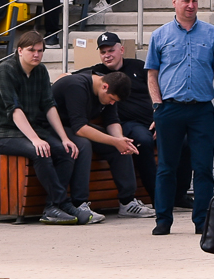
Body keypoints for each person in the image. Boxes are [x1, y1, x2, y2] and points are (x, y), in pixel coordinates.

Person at [145, 0, 214, 236]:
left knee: (203, 167)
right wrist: (157, 105)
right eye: (185, 1)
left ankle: (202, 221)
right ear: (174, 2)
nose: (190, 5)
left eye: (194, 1)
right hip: (169, 110)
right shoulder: (160, 36)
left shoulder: (212, 34)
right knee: (167, 167)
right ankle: (163, 220)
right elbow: (152, 73)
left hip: (201, 109)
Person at [0, 30, 89, 226]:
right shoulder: (6, 70)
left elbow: (49, 105)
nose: (36, 55)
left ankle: (52, 208)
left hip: (29, 131)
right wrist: (35, 139)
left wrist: (65, 138)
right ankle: (62, 203)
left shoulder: (40, 71)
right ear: (20, 50)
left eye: (40, 51)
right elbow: (14, 109)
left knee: (66, 151)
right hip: (1, 133)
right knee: (40, 151)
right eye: (32, 50)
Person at [91, 32, 193, 207]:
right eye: (103, 52)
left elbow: (163, 88)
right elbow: (69, 77)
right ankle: (158, 198)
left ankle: (179, 196)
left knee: (185, 141)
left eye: (111, 50)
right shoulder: (97, 72)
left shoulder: (138, 66)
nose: (107, 55)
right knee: (144, 141)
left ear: (121, 49)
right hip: (128, 124)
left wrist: (160, 114)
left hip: (155, 118)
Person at [52, 67, 156, 219]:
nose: (112, 102)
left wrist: (120, 140)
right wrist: (115, 141)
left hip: (75, 126)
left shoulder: (109, 88)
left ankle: (127, 202)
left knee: (121, 145)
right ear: (104, 87)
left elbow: (112, 121)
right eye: (111, 99)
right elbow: (80, 128)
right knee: (83, 145)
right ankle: (79, 203)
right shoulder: (77, 85)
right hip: (52, 125)